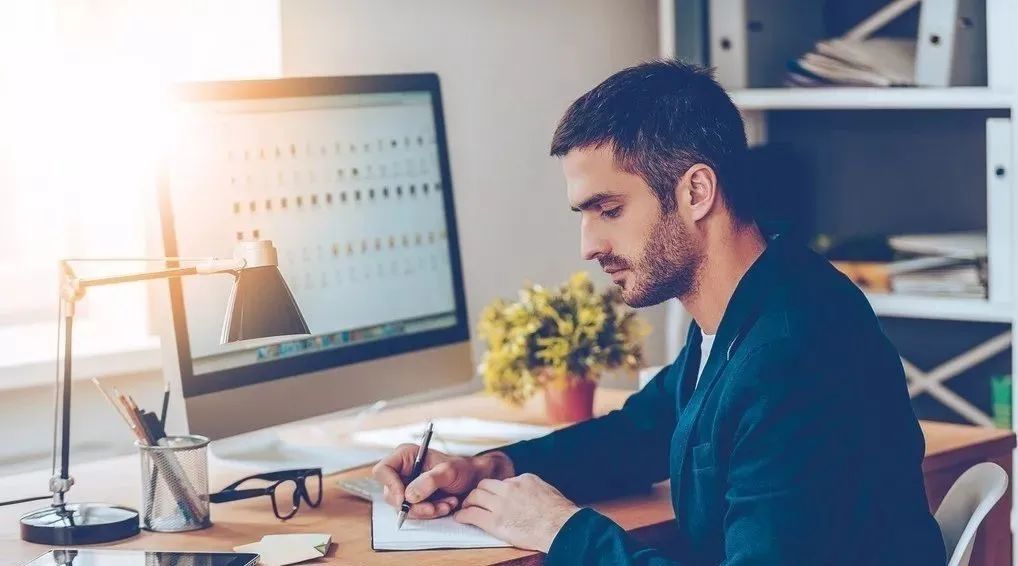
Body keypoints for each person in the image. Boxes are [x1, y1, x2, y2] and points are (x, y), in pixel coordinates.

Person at [372, 60, 946, 565]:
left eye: (610, 209)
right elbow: (647, 429)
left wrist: (562, 530)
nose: (588, 245)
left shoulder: (793, 354)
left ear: (696, 191)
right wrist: (489, 468)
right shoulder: (755, 301)